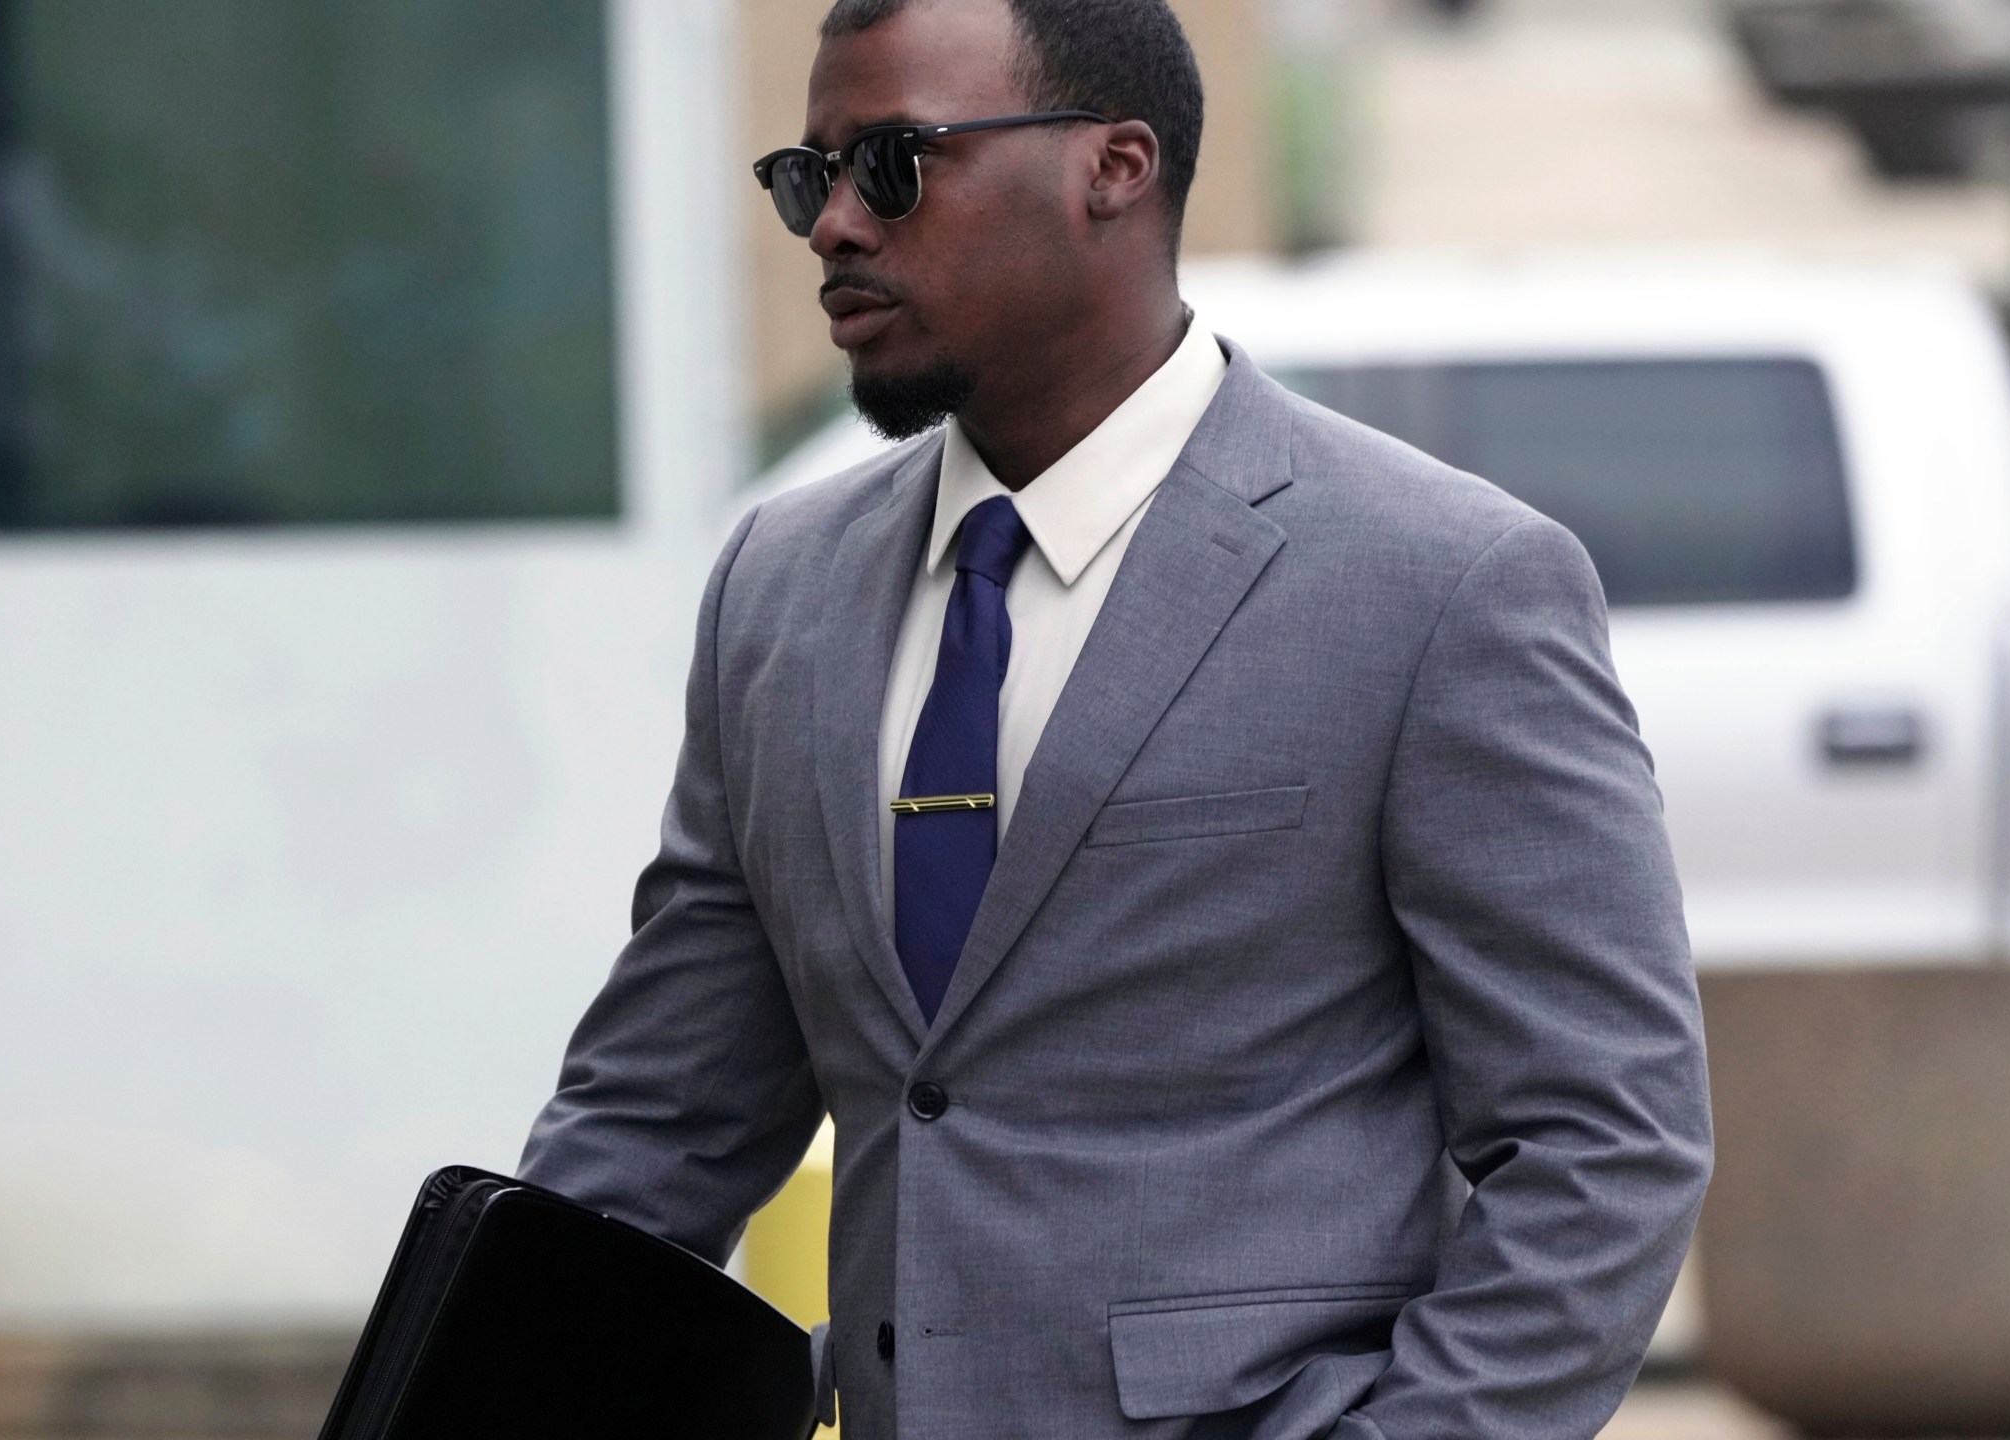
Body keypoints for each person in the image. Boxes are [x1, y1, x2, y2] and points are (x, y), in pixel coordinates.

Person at [520, 0, 1712, 1435]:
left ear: (1117, 165)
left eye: (893, 163)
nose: (834, 224)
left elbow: (1605, 1144)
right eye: (805, 175)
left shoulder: (1442, 587)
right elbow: (660, 1122)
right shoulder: (778, 593)